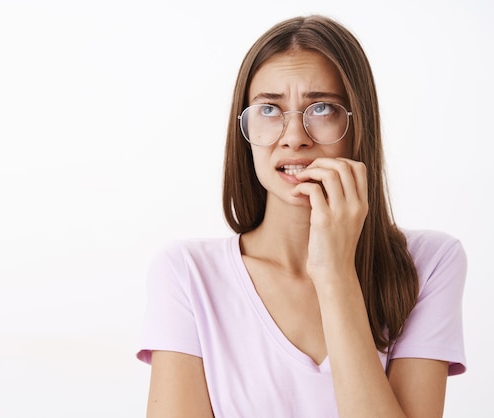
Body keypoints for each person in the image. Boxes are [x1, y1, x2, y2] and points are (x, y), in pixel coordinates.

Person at [136, 14, 467, 418]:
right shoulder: (187, 273)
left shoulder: (431, 263)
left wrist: (335, 275)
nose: (294, 137)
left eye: (322, 107)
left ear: (358, 125)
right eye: (270, 110)